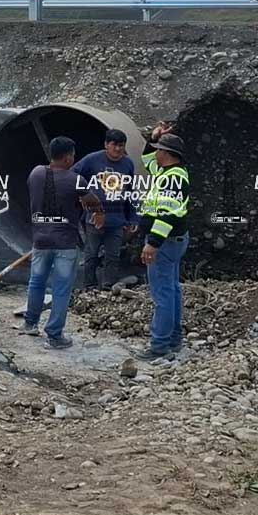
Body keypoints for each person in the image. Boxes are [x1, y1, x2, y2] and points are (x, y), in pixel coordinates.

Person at [21, 136, 105, 349]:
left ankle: (30, 323)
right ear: (68, 157)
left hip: (40, 240)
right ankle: (55, 334)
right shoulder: (75, 180)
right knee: (61, 288)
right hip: (65, 243)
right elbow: (92, 201)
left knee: (36, 282)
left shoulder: (36, 173)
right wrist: (97, 214)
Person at [135, 123, 192, 362]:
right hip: (173, 241)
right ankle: (174, 338)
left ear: (167, 154)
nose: (155, 153)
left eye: (159, 149)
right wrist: (153, 138)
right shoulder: (168, 172)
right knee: (172, 289)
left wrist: (153, 243)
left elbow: (167, 214)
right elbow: (147, 158)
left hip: (166, 242)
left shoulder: (172, 180)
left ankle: (159, 345)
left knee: (163, 294)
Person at [71, 129, 140, 290]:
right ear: (106, 145)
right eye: (114, 145)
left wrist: (133, 217)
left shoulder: (128, 163)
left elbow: (131, 191)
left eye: (121, 146)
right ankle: (89, 286)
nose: (117, 149)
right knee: (91, 254)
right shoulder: (92, 160)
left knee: (113, 255)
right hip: (94, 217)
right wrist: (84, 194)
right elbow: (73, 175)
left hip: (117, 218)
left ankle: (109, 286)